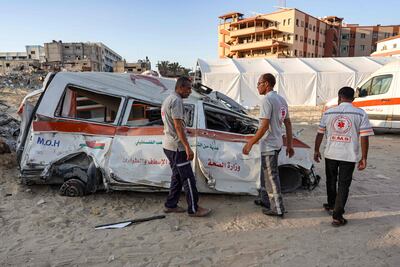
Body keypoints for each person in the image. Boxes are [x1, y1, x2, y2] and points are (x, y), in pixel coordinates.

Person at [314, 86, 374, 227]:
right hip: (349, 155)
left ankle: (331, 204)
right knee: (343, 184)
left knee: (331, 180)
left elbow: (320, 133)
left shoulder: (328, 113)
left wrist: (316, 150)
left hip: (331, 153)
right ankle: (337, 216)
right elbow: (364, 137)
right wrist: (364, 157)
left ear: (339, 97)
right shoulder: (360, 113)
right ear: (353, 99)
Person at [243, 73, 294, 217]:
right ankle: (265, 200)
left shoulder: (267, 100)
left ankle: (278, 208)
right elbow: (288, 123)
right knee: (265, 175)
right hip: (276, 143)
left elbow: (264, 126)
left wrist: (250, 143)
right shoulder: (281, 99)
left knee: (271, 178)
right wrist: (289, 145)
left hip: (269, 145)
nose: (257, 86)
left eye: (258, 83)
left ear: (266, 84)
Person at [161, 76, 211, 217]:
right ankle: (194, 209)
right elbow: (177, 126)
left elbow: (173, 124)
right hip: (177, 147)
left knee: (177, 176)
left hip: (168, 145)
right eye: (188, 88)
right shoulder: (176, 101)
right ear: (180, 87)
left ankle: (170, 205)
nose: (190, 91)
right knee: (188, 178)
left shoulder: (168, 99)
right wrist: (187, 147)